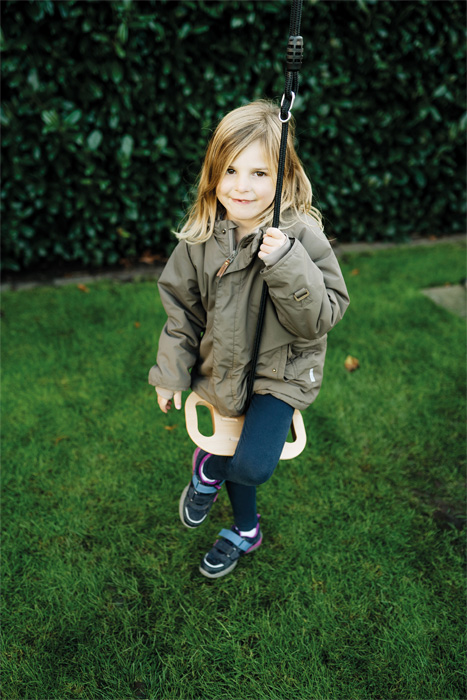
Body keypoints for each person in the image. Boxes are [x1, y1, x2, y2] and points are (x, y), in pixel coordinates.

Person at [149, 100, 349, 579]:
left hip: (283, 373)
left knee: (252, 464)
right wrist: (172, 373)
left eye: (259, 173)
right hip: (225, 364)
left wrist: (287, 262)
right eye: (231, 171)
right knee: (230, 445)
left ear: (284, 177)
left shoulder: (301, 235)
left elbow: (321, 317)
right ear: (213, 174)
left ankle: (209, 471)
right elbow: (182, 311)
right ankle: (245, 530)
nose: (242, 186)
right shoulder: (201, 238)